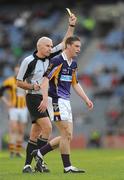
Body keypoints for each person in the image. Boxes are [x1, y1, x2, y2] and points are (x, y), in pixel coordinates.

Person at [16, 13, 77, 173]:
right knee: (48, 128)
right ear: (39, 47)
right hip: (34, 97)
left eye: (51, 46)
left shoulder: (51, 57)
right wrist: (34, 87)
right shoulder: (28, 61)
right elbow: (19, 82)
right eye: (48, 46)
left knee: (36, 132)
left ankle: (28, 165)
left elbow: (64, 43)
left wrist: (71, 26)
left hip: (47, 98)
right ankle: (39, 160)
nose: (51, 48)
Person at [31, 36, 93, 173]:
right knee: (66, 133)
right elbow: (45, 80)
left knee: (68, 136)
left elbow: (75, 83)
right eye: (76, 46)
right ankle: (68, 167)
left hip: (66, 101)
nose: (79, 49)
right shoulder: (57, 60)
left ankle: (39, 153)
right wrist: (44, 98)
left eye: (79, 47)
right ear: (68, 46)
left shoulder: (73, 63)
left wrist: (86, 99)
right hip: (55, 100)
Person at [0, 65, 28, 158]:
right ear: (14, 71)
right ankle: (12, 151)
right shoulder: (9, 81)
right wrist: (7, 102)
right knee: (13, 129)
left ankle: (18, 152)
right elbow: (1, 92)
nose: (18, 72)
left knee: (21, 130)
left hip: (23, 108)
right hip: (13, 109)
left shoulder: (25, 80)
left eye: (19, 71)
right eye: (16, 71)